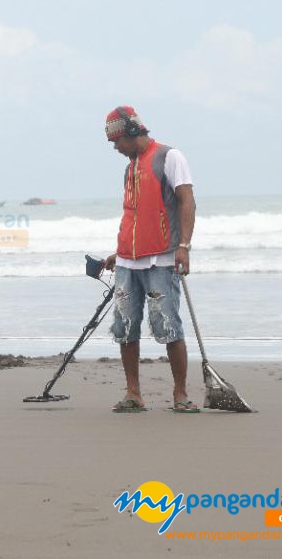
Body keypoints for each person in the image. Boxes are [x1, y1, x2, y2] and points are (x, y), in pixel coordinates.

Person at [102, 106, 199, 413]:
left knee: (169, 326)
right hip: (128, 262)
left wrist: (184, 245)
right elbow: (134, 214)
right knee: (125, 328)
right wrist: (119, 252)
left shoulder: (170, 157)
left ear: (133, 132)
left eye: (118, 141)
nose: (116, 148)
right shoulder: (130, 166)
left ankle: (180, 394)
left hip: (161, 259)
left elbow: (187, 201)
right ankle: (133, 394)